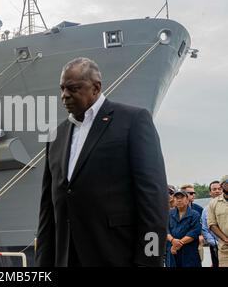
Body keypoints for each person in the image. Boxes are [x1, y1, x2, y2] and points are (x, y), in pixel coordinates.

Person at [35, 57, 169, 267]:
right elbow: (48, 210)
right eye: (62, 89)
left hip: (116, 256)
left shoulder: (133, 121)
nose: (65, 95)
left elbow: (153, 199)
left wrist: (148, 261)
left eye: (73, 88)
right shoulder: (56, 136)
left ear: (96, 87)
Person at [165, 191, 202, 267]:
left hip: (189, 251)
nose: (179, 200)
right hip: (172, 251)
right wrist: (172, 240)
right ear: (174, 200)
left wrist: (176, 245)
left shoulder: (195, 214)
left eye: (182, 198)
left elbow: (194, 232)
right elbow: (165, 229)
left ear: (187, 200)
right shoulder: (169, 214)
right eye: (177, 198)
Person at [207, 176, 228, 267]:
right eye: (227, 183)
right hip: (225, 249)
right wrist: (226, 239)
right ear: (222, 185)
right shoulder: (213, 203)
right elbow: (212, 224)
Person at [201, 180, 222, 267]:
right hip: (215, 246)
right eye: (214, 189)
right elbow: (204, 228)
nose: (217, 191)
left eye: (219, 189)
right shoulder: (206, 210)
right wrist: (215, 243)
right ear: (210, 192)